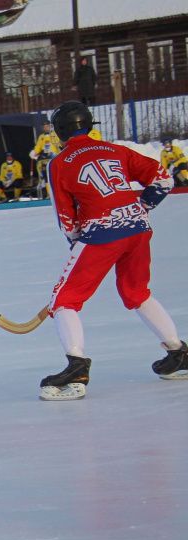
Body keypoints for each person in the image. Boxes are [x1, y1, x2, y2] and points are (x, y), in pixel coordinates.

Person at [37, 100, 185, 400]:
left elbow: (66, 216)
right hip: (138, 230)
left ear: (61, 131)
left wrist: (76, 238)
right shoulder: (114, 149)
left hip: (102, 235)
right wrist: (140, 207)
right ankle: (178, 352)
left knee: (64, 299)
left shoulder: (60, 162)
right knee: (137, 292)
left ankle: (76, 366)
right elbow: (163, 178)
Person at [30, 122, 63, 197]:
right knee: (45, 174)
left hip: (54, 155)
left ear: (50, 126)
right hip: (45, 157)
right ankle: (49, 193)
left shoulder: (55, 134)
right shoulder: (41, 136)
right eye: (44, 126)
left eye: (47, 126)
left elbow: (60, 144)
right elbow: (38, 147)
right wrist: (34, 152)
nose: (46, 128)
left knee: (56, 174)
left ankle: (59, 191)